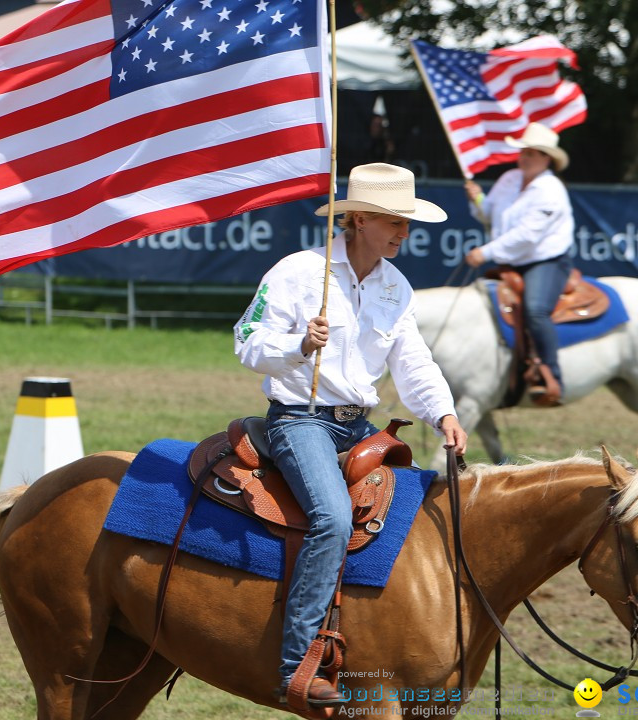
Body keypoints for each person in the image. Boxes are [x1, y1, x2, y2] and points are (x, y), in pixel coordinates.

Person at [234, 163, 468, 707]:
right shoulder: (299, 272)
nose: (403, 233)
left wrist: (443, 413)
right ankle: (298, 662)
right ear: (358, 218)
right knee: (333, 517)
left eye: (407, 223)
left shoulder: (395, 286)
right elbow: (246, 340)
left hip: (358, 426)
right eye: (393, 221)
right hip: (299, 419)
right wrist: (298, 347)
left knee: (413, 515)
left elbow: (413, 363)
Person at [463, 122, 575, 405]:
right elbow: (489, 214)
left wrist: (485, 252)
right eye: (524, 151)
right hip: (511, 261)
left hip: (545, 261)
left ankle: (552, 377)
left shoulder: (551, 189)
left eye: (533, 152)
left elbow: (527, 236)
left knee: (536, 310)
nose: (525, 156)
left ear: (547, 158)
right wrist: (477, 198)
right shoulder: (509, 179)